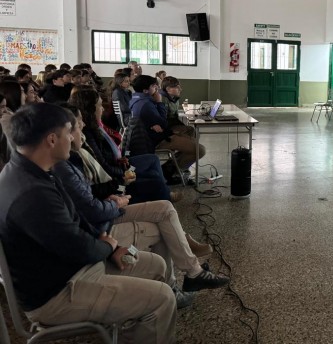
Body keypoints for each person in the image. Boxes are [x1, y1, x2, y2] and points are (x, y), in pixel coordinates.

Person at [0, 103, 177, 343]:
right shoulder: (31, 193)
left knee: (156, 264)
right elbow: (76, 246)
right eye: (68, 132)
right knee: (163, 298)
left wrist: (111, 247)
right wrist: (106, 248)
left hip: (76, 268)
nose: (75, 136)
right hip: (59, 293)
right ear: (52, 139)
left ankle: (134, 327)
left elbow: (78, 219)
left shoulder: (34, 171)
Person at [53, 105, 229, 308]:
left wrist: (117, 176)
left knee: (164, 207)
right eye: (77, 125)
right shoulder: (68, 162)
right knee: (163, 223)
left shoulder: (76, 152)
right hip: (105, 220)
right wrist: (115, 200)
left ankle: (188, 274)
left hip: (108, 201)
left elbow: (93, 187)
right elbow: (90, 208)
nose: (82, 126)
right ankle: (179, 279)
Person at [69, 85, 173, 203]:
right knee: (154, 180)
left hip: (119, 165)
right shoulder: (88, 134)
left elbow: (107, 156)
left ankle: (164, 195)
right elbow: (104, 167)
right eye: (99, 105)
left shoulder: (97, 127)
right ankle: (163, 196)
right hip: (117, 180)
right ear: (90, 109)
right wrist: (124, 173)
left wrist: (122, 162)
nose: (102, 108)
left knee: (153, 165)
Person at [130, 76, 199, 183]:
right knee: (199, 150)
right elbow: (164, 123)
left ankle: (176, 164)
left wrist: (154, 124)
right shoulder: (147, 104)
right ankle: (169, 170)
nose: (157, 87)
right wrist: (159, 103)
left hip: (152, 136)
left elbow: (160, 123)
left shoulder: (135, 99)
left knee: (190, 136)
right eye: (153, 86)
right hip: (156, 140)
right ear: (145, 90)